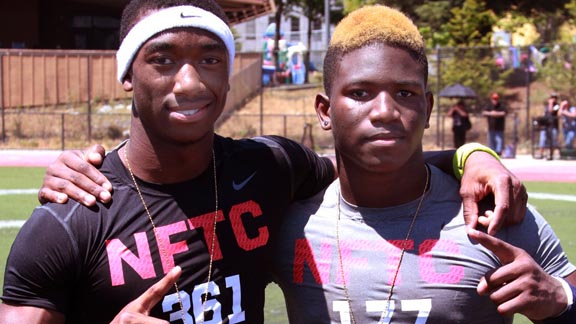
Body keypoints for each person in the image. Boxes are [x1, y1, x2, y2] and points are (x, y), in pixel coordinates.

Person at [0, 0, 527, 323]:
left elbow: (371, 159)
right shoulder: (70, 219)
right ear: (127, 75)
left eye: (210, 59)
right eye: (162, 60)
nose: (190, 82)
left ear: (229, 75)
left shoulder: (269, 166)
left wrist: (471, 155)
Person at [271, 5, 576, 324]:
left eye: (405, 92)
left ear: (428, 108)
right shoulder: (287, 220)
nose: (385, 111)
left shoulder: (495, 212)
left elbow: (566, 297)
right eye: (360, 93)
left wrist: (560, 300)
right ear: (325, 111)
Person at [538, 93, 560, 159]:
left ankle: (551, 154)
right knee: (542, 139)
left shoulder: (557, 106)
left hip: (553, 125)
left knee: (553, 140)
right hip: (546, 125)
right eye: (552, 97)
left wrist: (551, 104)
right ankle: (541, 153)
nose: (553, 99)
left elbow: (551, 111)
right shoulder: (546, 106)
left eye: (554, 98)